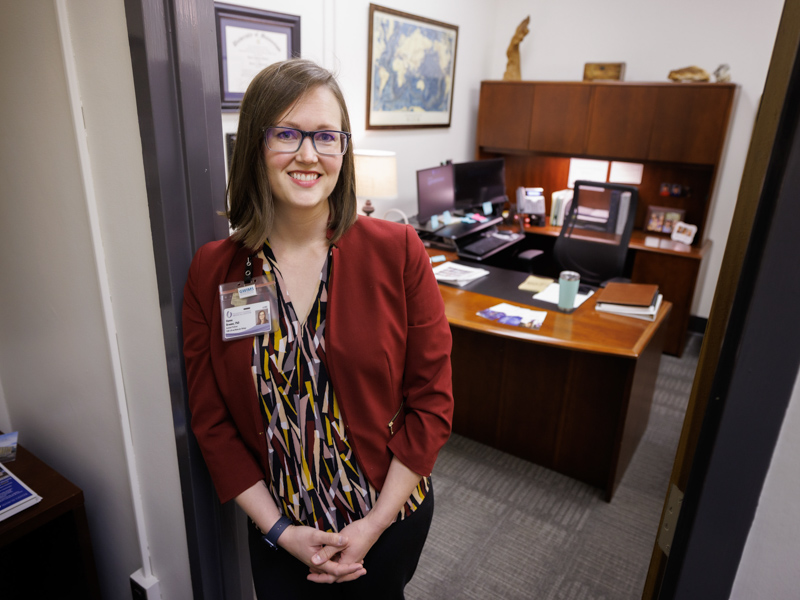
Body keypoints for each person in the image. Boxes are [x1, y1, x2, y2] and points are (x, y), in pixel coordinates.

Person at [182, 58, 453, 599]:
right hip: (280, 536)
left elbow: (432, 402)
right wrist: (280, 531)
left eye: (326, 135)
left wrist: (374, 525)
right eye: (287, 133)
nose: (308, 154)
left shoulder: (398, 251)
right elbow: (212, 423)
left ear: (343, 149)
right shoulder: (214, 270)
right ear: (256, 146)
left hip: (387, 522)